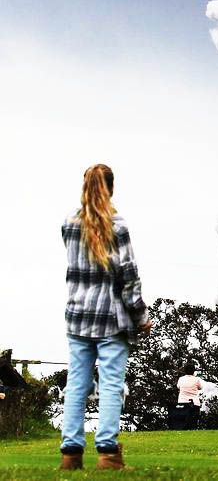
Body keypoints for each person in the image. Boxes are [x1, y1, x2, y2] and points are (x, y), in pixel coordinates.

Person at [58, 165, 150, 471]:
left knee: (76, 384)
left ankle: (70, 454)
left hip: (77, 316)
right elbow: (129, 278)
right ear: (110, 188)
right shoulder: (118, 226)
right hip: (111, 319)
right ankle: (108, 454)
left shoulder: (69, 224)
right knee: (111, 386)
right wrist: (140, 316)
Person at [176, 361, 204, 430]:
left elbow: (178, 387)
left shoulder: (181, 379)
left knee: (183, 422)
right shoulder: (197, 379)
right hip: (194, 403)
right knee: (193, 422)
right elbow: (200, 387)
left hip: (182, 403)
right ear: (193, 371)